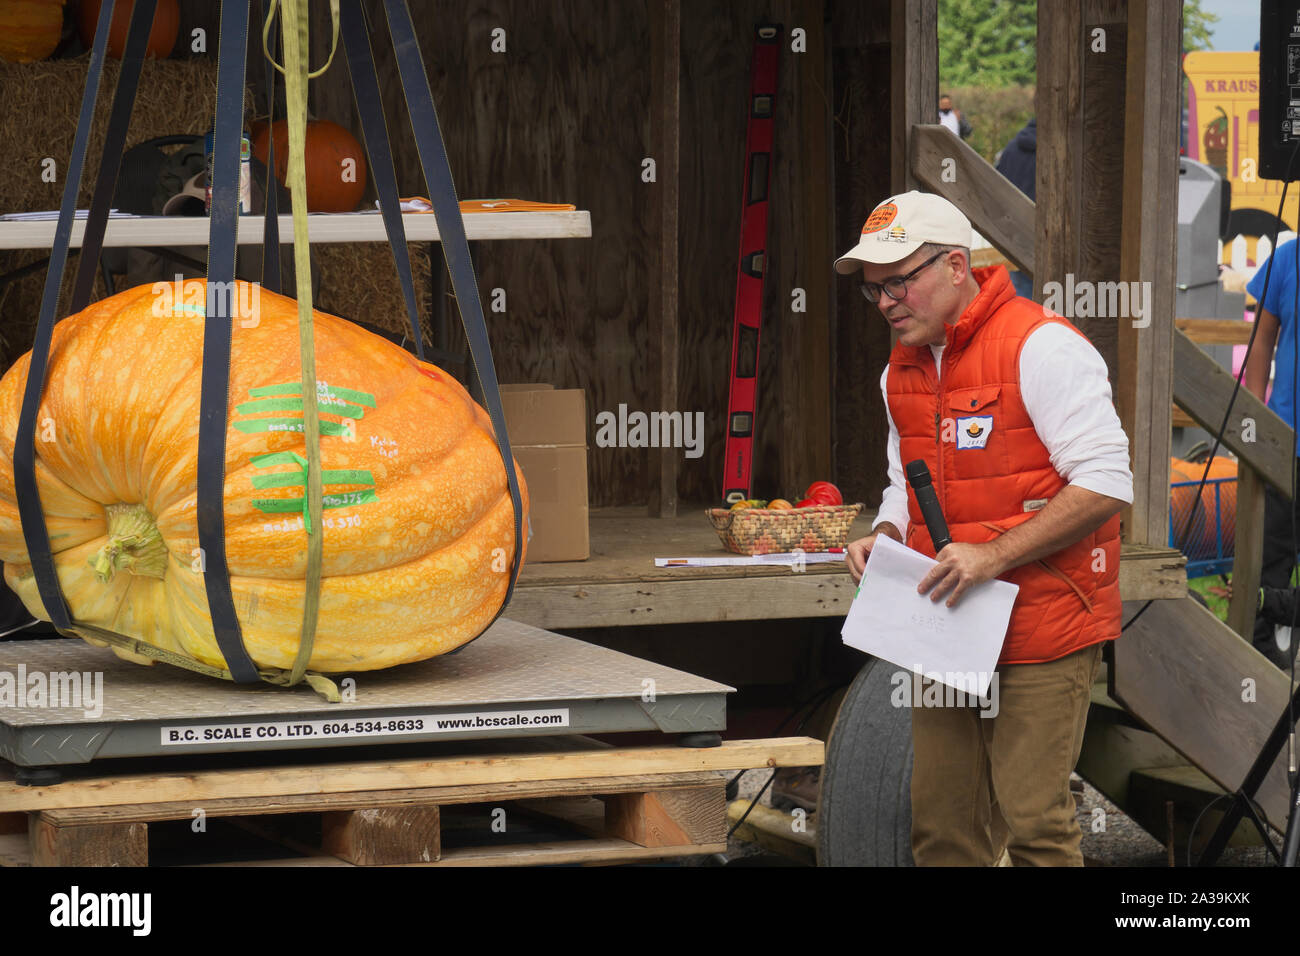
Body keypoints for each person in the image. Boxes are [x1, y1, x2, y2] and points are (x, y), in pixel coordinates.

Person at [834, 191, 1133, 866]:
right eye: (875, 290)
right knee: (943, 828)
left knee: (1035, 825)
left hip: (1045, 620)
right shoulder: (899, 370)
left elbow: (1108, 483)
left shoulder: (1044, 346)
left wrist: (992, 555)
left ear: (957, 267)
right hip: (948, 619)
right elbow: (902, 482)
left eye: (899, 282)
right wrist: (883, 535)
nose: (885, 302)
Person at [1242, 237, 1300, 670]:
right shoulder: (1286, 258)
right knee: (1272, 557)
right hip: (1287, 442)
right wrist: (1254, 418)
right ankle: (1263, 662)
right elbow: (1262, 340)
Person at [994, 118, 1036, 298]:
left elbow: (996, 186)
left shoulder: (1011, 149)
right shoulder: (1056, 149)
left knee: (1019, 290)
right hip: (1041, 233)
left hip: (1012, 233)